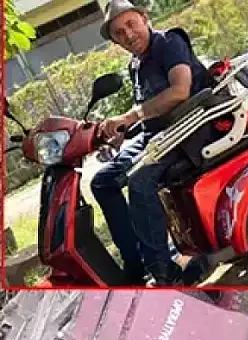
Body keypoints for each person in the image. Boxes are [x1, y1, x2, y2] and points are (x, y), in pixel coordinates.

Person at [90, 0, 212, 286]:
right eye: (119, 33)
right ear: (115, 42)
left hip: (188, 132)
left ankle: (163, 272)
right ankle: (135, 263)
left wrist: (131, 116)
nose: (128, 35)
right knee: (102, 182)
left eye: (131, 24)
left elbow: (180, 91)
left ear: (144, 18)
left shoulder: (169, 42)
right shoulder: (135, 65)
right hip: (156, 137)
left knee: (140, 181)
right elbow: (148, 112)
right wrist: (123, 133)